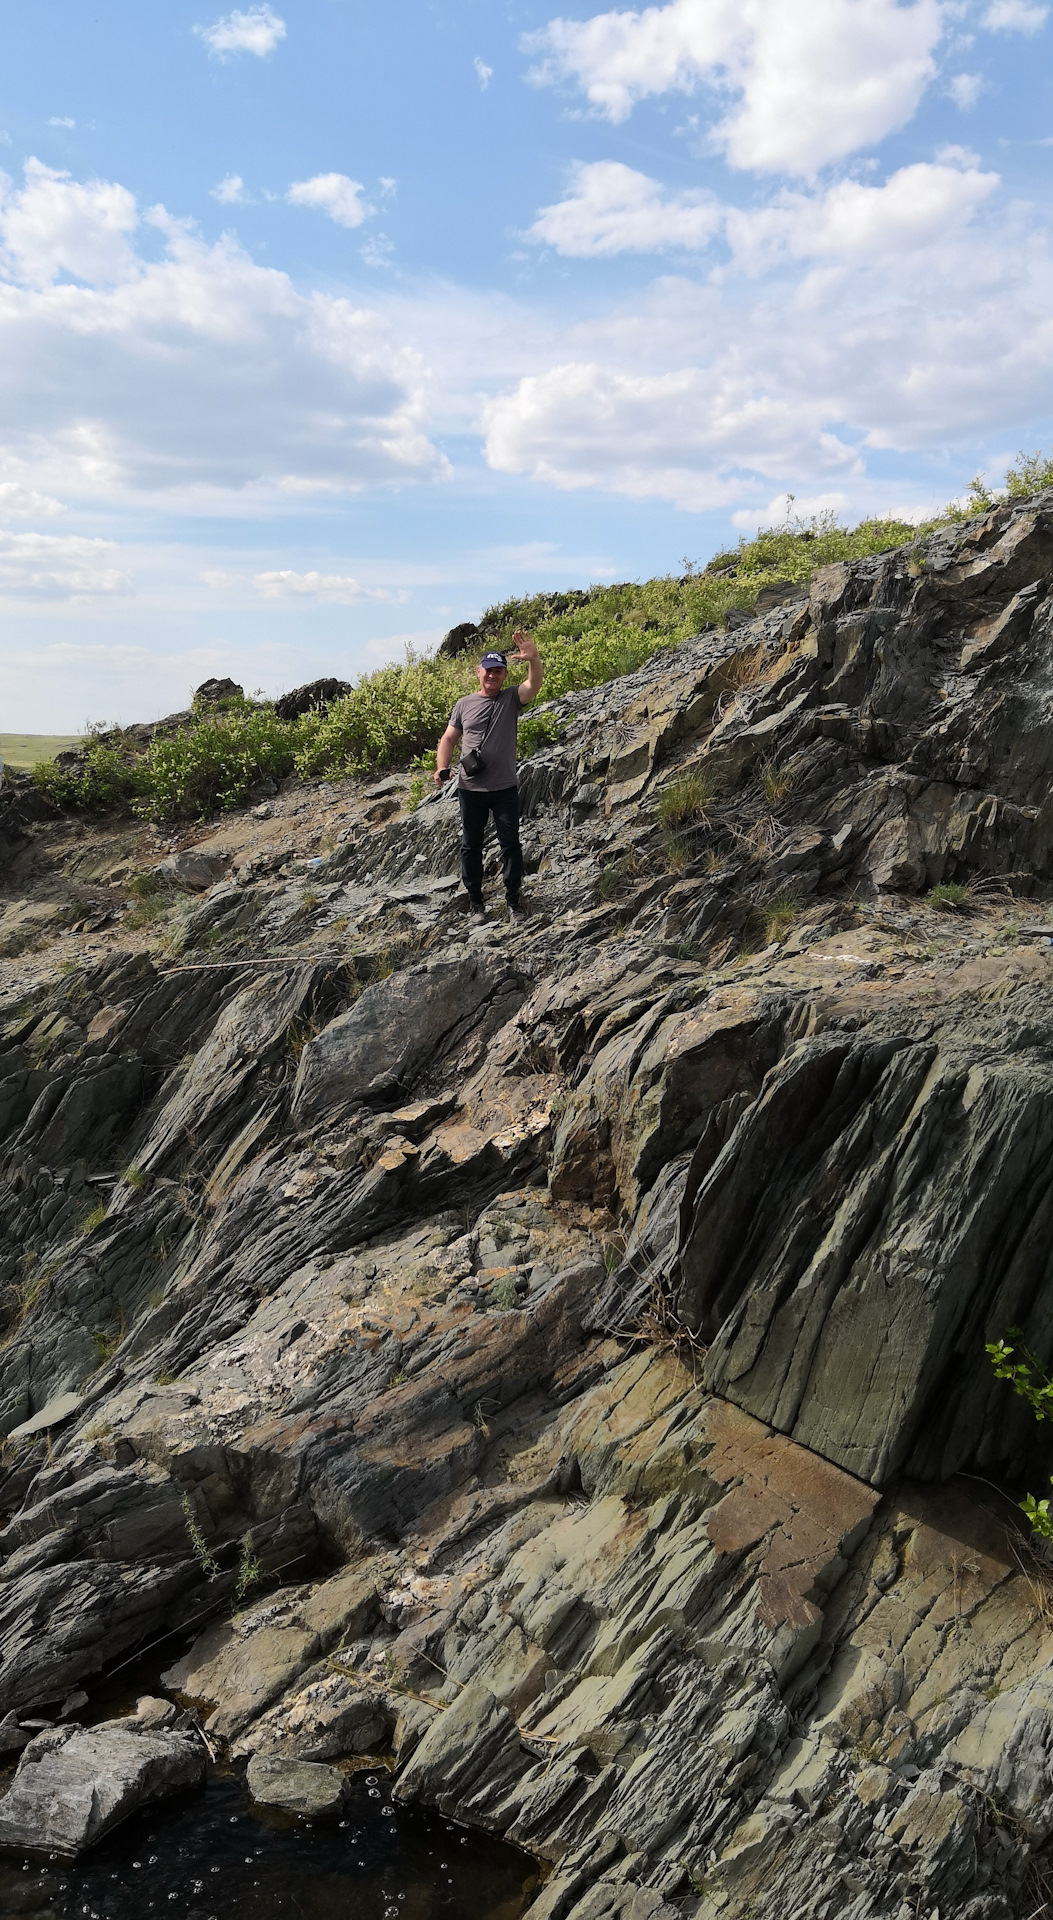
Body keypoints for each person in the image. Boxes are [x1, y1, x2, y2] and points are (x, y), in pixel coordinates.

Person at [433, 630, 544, 920]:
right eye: (489, 671)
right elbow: (448, 739)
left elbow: (533, 685)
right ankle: (475, 902)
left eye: (499, 671)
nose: (493, 676)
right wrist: (441, 767)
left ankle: (513, 901)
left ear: (505, 676)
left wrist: (534, 660)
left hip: (505, 787)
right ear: (478, 671)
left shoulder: (510, 699)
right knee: (471, 845)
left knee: (511, 844)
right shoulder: (464, 704)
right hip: (470, 788)